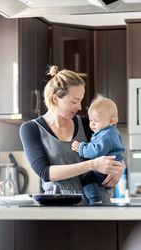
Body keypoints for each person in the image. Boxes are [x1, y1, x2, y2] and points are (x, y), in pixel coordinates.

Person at [19, 66, 125, 205]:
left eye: (80, 100)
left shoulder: (88, 124)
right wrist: (92, 164)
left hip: (99, 210)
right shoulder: (31, 129)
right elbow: (45, 172)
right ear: (56, 99)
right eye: (74, 101)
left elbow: (112, 145)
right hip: (59, 211)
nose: (80, 107)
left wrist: (119, 166)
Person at [71, 95, 125, 205]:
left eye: (96, 121)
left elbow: (97, 150)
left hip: (107, 169)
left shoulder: (106, 135)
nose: (92, 124)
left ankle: (95, 199)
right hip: (111, 168)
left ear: (111, 121)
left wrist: (81, 147)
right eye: (90, 120)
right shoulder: (110, 132)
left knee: (87, 179)